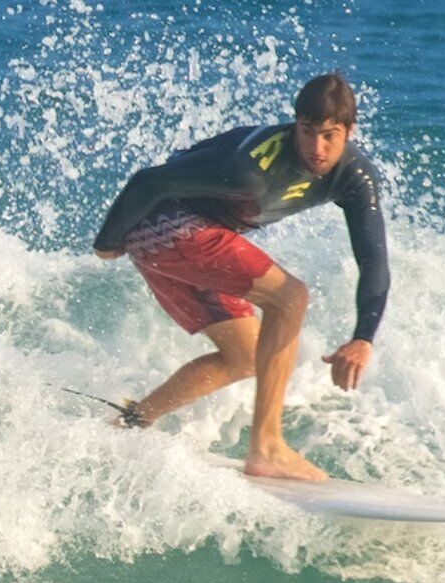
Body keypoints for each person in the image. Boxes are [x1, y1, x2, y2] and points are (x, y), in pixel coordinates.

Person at [89, 72, 389, 483]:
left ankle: (132, 420)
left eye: (329, 136)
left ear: (350, 131)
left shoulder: (356, 177)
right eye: (307, 132)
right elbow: (149, 181)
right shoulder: (251, 167)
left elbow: (373, 261)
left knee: (245, 356)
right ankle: (267, 447)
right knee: (290, 297)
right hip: (168, 225)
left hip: (179, 238)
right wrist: (107, 242)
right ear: (294, 125)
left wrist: (363, 337)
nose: (316, 148)